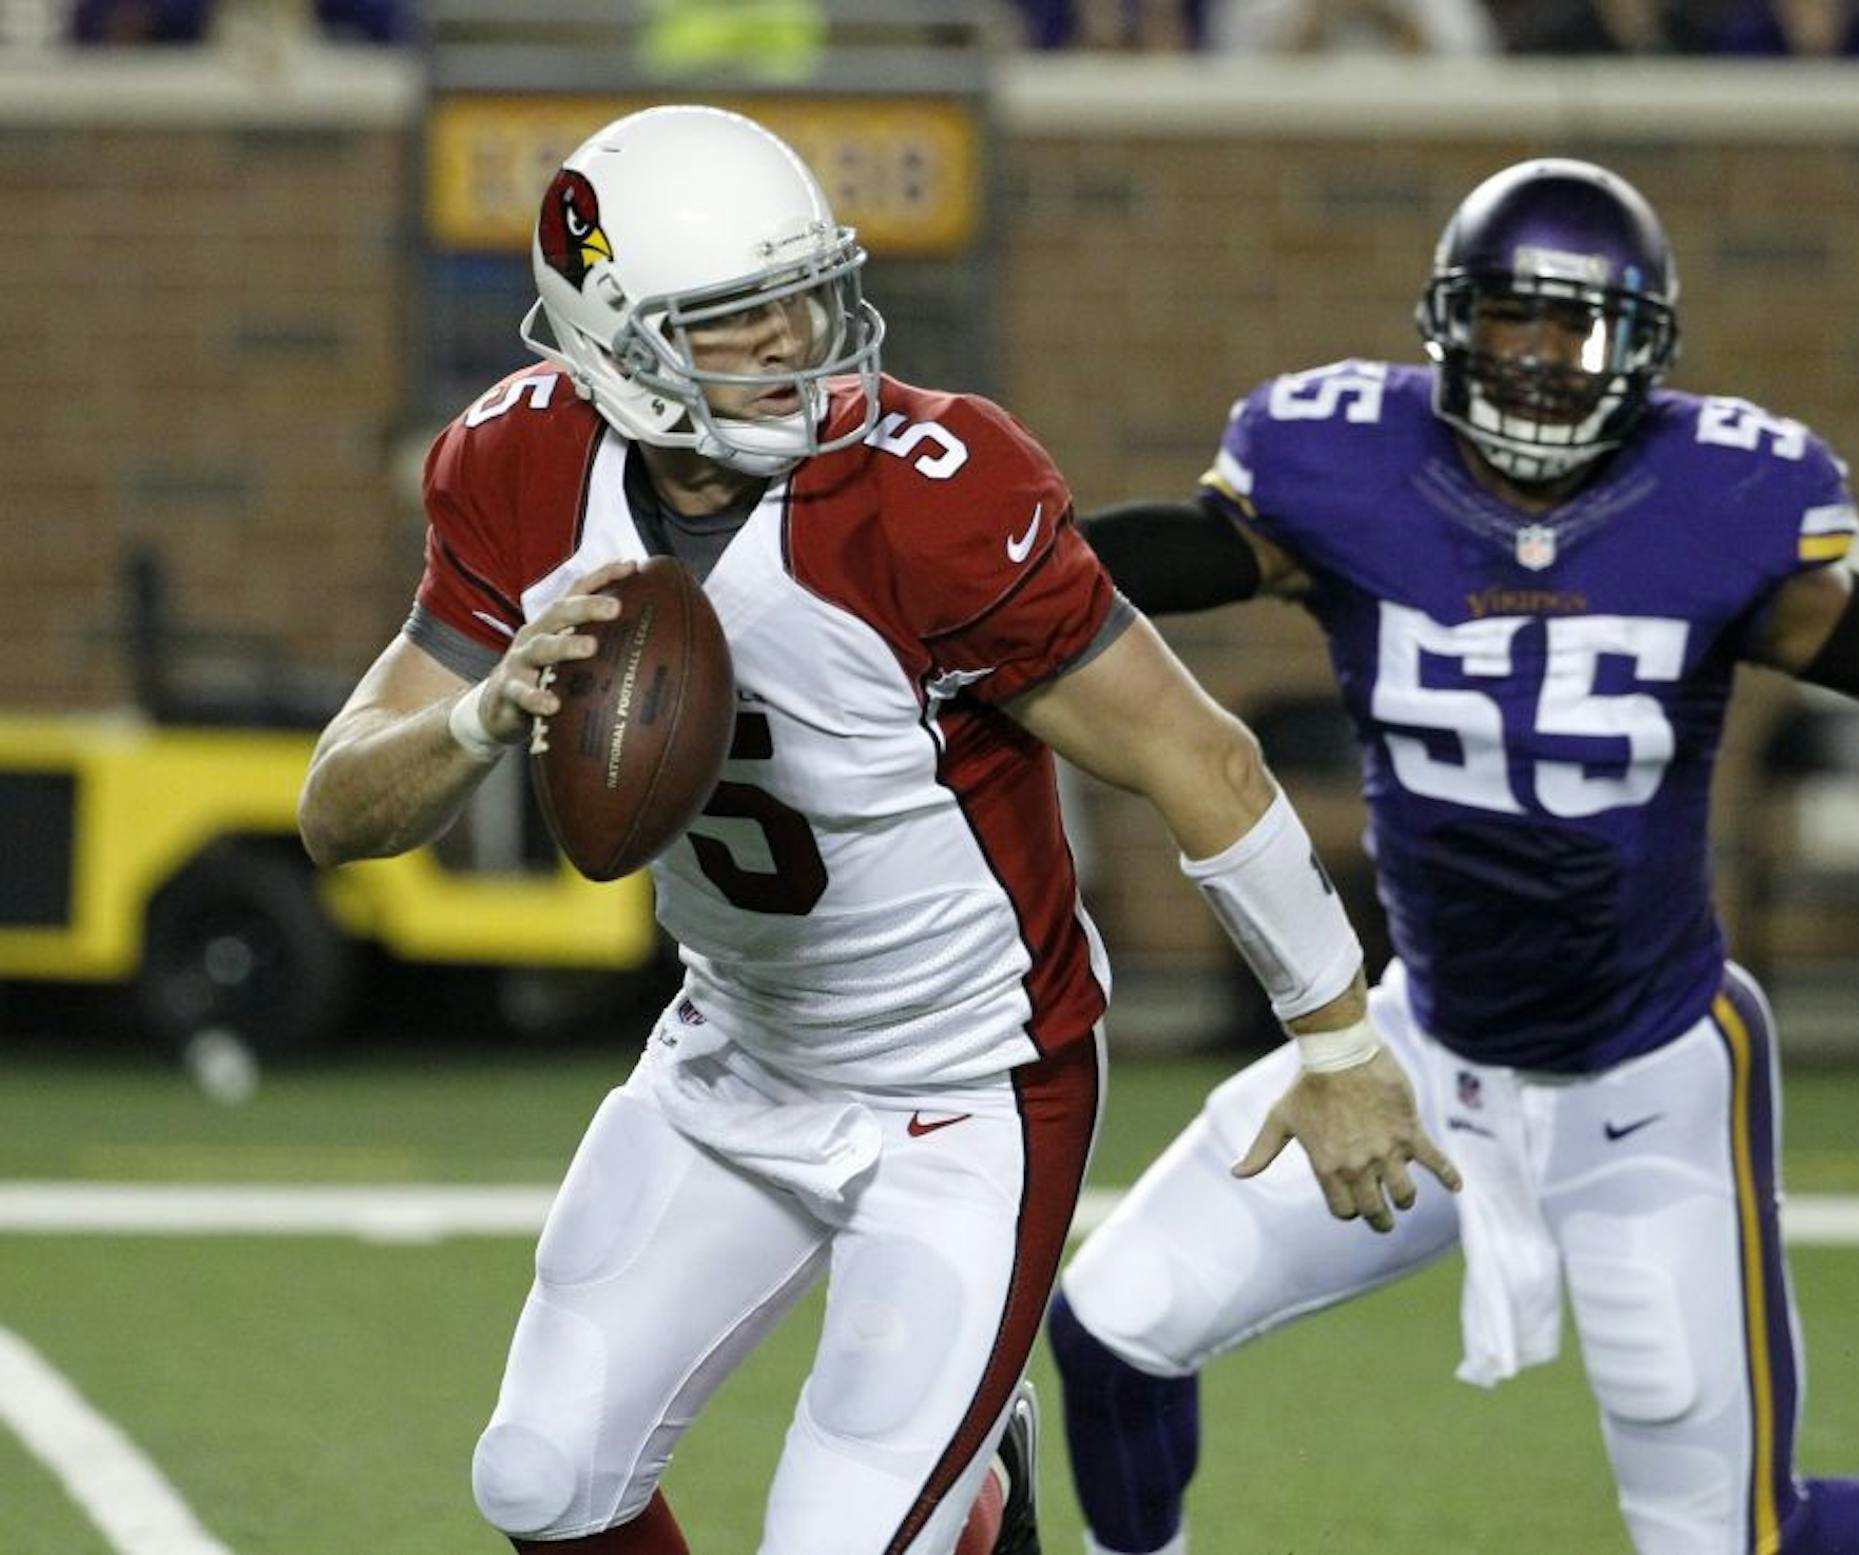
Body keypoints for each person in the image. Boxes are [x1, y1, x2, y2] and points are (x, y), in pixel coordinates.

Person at [296, 105, 1455, 1555]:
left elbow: (1197, 758)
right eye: (735, 316)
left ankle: (971, 1503)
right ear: (612, 343)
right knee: (539, 1483)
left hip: (969, 1090)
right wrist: (478, 721)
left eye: (802, 291)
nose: (793, 337)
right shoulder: (516, 467)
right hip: (733, 1054)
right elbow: (337, 810)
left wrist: (1338, 1045)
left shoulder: (932, 490)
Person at [1052, 158, 1859, 1555]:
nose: (1535, 366)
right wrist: (953, 590)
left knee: (1738, 1543)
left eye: (1574, 331)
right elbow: (1146, 566)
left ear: (1643, 351)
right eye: (1509, 323)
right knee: (1114, 1330)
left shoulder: (1717, 504)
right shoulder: (1344, 474)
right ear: (1449, 326)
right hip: (1410, 1062)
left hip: (1646, 1081)